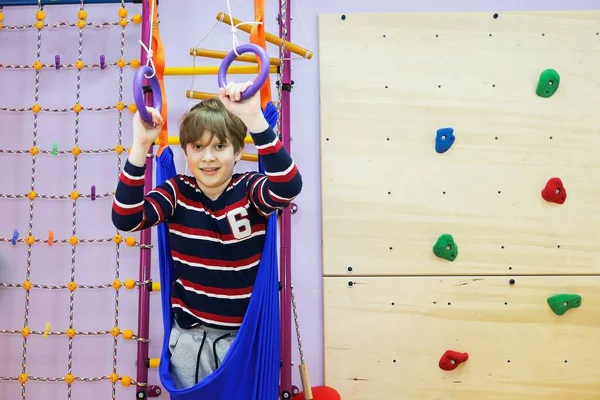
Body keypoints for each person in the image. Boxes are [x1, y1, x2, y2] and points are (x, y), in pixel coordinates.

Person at [111, 81, 302, 389]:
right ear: (186, 152)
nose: (208, 157)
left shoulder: (250, 188)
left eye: (219, 146)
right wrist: (140, 147)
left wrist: (255, 120)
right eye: (198, 147)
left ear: (238, 151)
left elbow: (288, 187)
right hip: (190, 338)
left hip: (243, 339)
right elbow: (125, 218)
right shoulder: (177, 193)